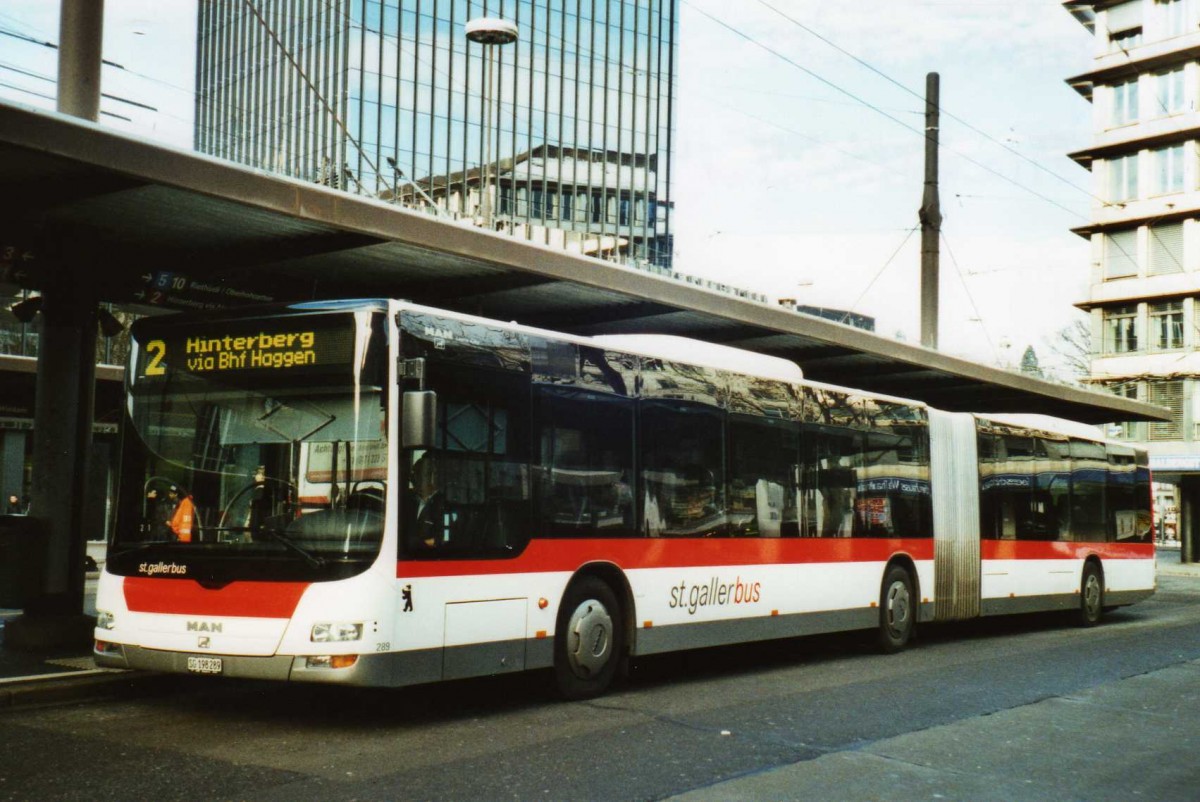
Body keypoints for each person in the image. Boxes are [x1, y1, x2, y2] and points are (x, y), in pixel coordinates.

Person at [407, 453, 447, 549]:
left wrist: (416, 543)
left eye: (421, 475)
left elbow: (442, 540)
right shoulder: (410, 500)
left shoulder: (443, 504)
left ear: (432, 478)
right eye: (414, 476)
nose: (413, 480)